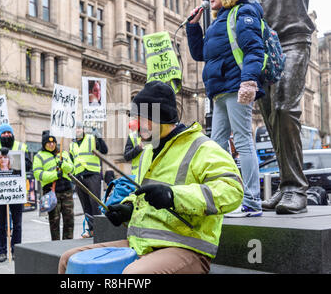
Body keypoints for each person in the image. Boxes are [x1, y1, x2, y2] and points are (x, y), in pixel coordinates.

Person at [58, 81, 244, 274]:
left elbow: (233, 190)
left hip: (186, 246)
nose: (133, 126)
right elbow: (143, 194)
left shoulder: (203, 147)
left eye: (139, 118)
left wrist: (174, 196)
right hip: (142, 243)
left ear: (157, 118)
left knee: (134, 275)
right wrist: (128, 208)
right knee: (68, 260)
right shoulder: (148, 151)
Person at [186, 0, 264, 217]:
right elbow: (202, 54)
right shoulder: (219, 20)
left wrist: (249, 81)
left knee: (242, 141)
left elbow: (254, 48)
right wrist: (193, 27)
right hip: (219, 90)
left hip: (235, 86)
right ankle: (225, 195)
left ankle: (252, 200)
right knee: (217, 145)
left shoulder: (243, 12)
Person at [248, 0, 315, 214]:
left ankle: (296, 188)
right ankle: (286, 184)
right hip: (264, 43)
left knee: (284, 109)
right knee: (270, 116)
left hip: (293, 38)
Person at [0, 123, 31, 263]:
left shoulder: (21, 146)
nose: (6, 135)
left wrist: (14, 156)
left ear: (12, 134)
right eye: (3, 133)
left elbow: (29, 165)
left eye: (8, 132)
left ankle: (16, 250)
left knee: (17, 224)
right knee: (1, 224)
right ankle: (2, 251)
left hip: (16, 191)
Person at [33, 130, 75, 240]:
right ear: (44, 144)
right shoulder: (39, 156)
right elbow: (38, 174)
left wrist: (63, 165)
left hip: (67, 191)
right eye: (48, 142)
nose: (51, 144)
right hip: (51, 192)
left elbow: (72, 169)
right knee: (54, 221)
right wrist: (55, 175)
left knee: (69, 220)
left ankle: (68, 244)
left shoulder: (63, 153)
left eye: (53, 142)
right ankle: (56, 245)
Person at [69, 122, 108, 238]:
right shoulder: (72, 145)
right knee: (85, 205)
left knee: (94, 203)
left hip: (92, 175)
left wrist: (99, 137)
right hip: (79, 177)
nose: (78, 130)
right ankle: (91, 229)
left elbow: (104, 150)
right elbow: (72, 161)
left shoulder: (91, 138)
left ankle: (99, 230)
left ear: (83, 129)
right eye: (75, 128)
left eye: (80, 128)